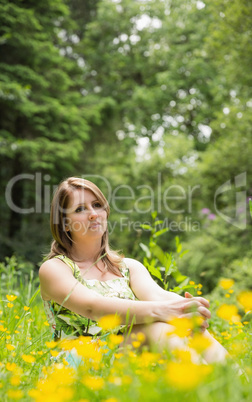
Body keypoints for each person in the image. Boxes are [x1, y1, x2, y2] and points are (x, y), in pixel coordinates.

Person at [39, 177, 227, 363]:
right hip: (79, 361)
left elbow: (157, 295)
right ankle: (203, 383)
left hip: (126, 353)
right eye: (80, 209)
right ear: (64, 223)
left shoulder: (128, 267)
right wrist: (167, 311)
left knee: (189, 329)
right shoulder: (55, 269)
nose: (93, 214)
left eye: (97, 205)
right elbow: (92, 307)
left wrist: (188, 309)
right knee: (157, 328)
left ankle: (238, 384)